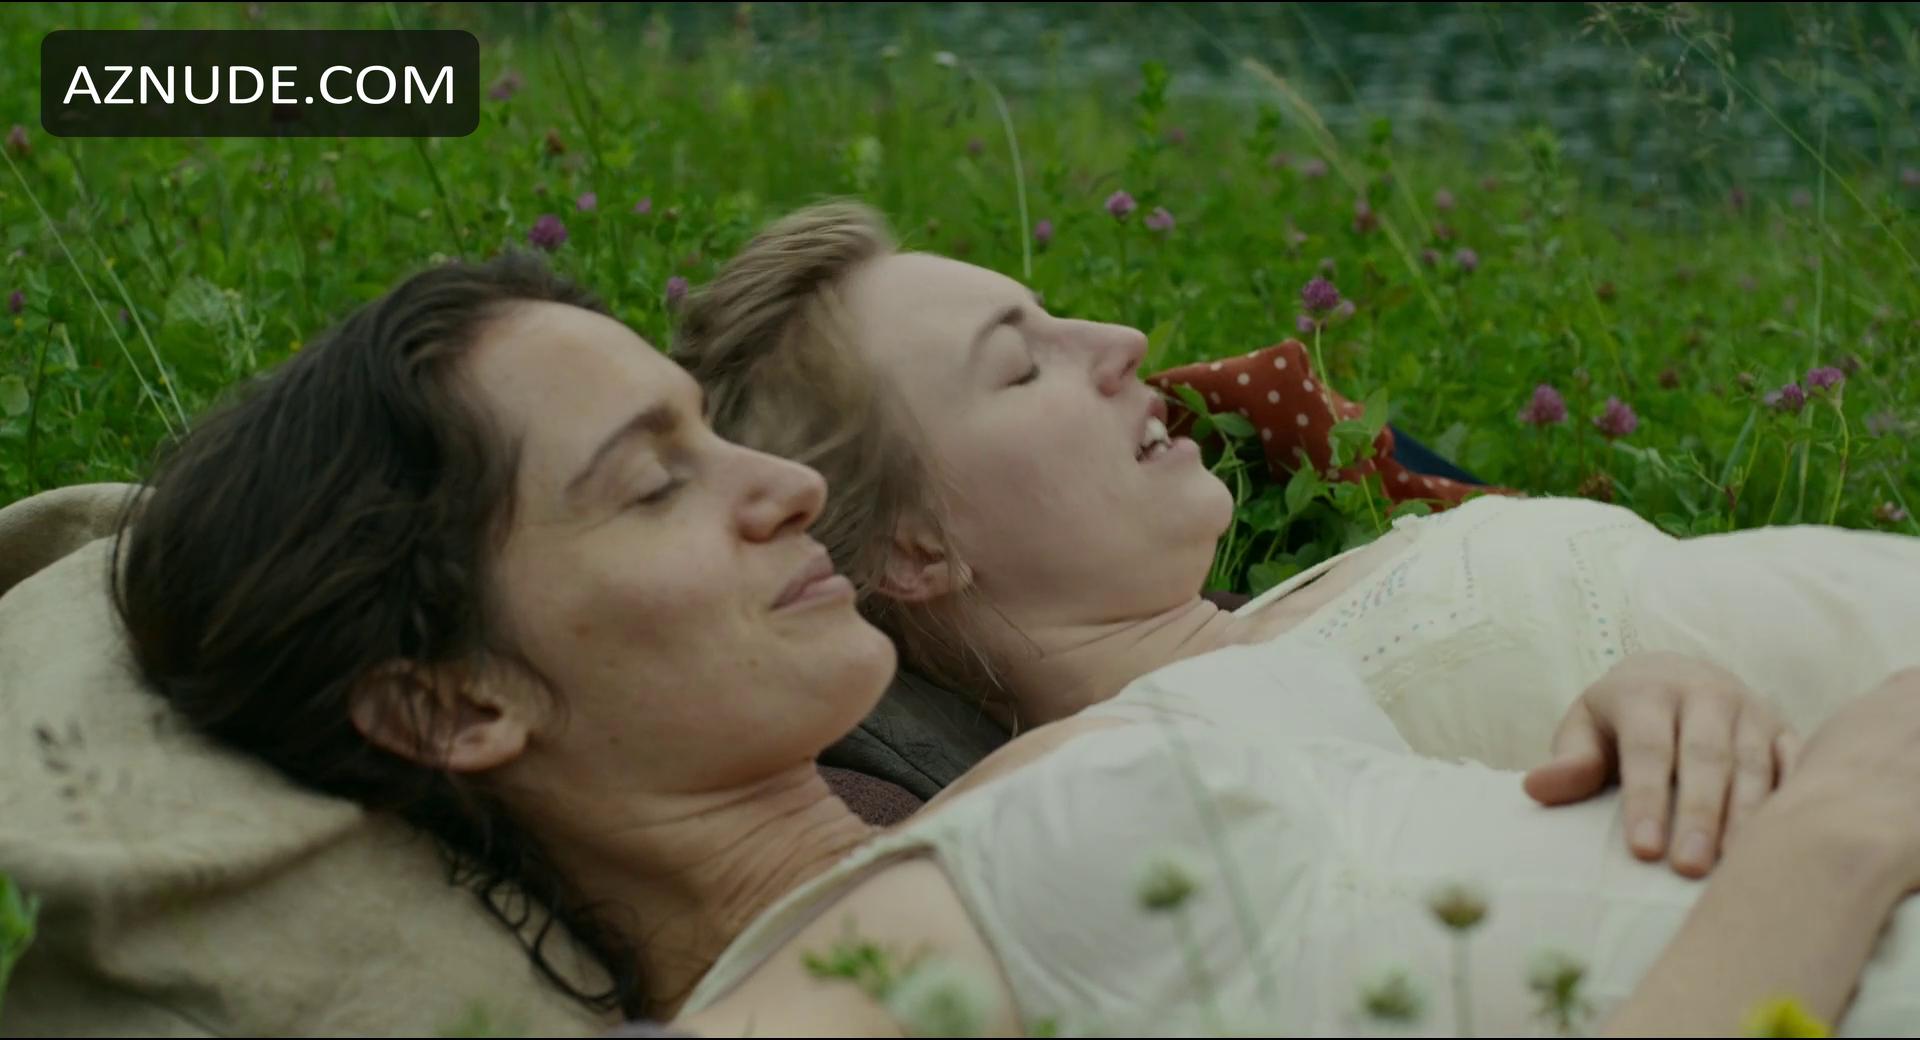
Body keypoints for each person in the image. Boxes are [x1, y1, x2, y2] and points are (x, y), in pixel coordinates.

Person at [104, 253, 1920, 1036]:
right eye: (653, 485)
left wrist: (1636, 711)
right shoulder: (822, 997)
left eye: (720, 435)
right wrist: (1831, 843)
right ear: (453, 705)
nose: (784, 492)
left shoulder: (984, 815)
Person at [669, 200, 1920, 880]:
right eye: (1021, 364)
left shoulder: (1309, 595)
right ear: (914, 551)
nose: (1122, 342)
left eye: (1058, 315)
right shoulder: (1138, 776)